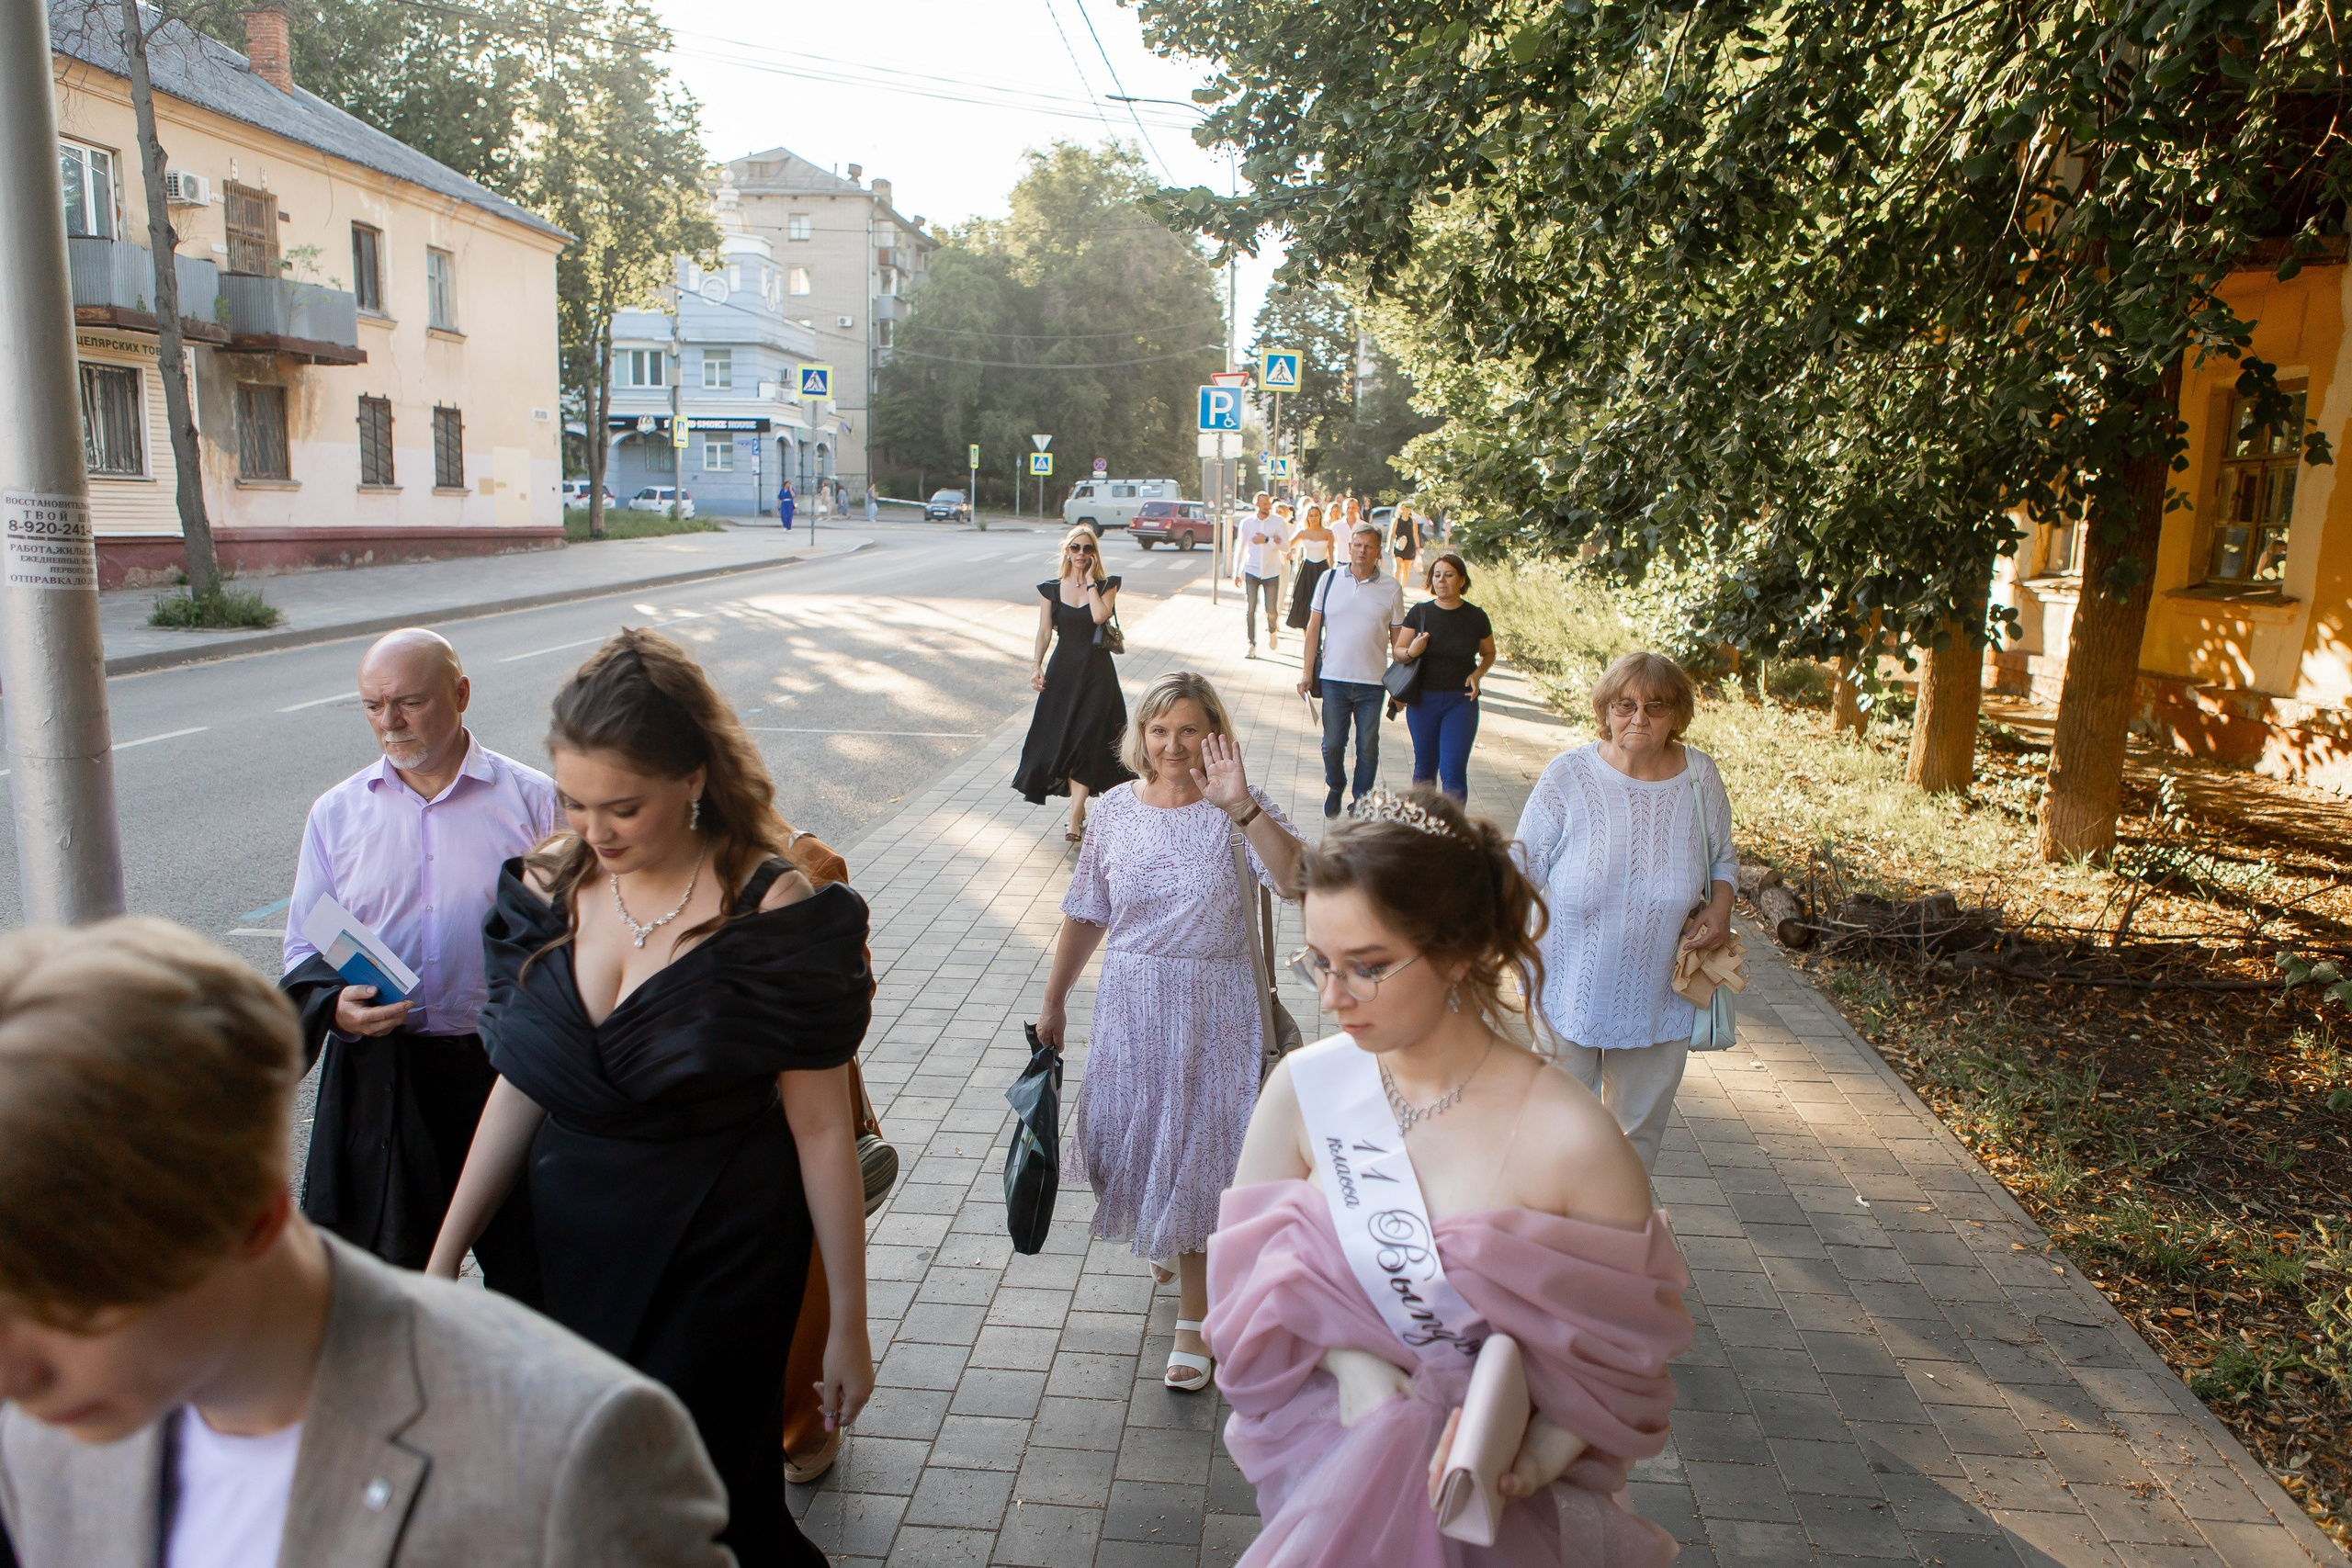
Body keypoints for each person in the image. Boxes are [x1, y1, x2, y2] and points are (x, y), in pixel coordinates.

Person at [0, 918, 733, 1567]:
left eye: (62, 1302)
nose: (11, 1374)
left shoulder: (568, 1453)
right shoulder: (41, 1436)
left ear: (250, 1215)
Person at [426, 629, 876, 1568]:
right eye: (576, 802)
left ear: (696, 777)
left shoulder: (774, 910)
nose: (597, 833)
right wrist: (441, 1263)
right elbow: (522, 1083)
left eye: (624, 806)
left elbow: (823, 1130)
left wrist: (846, 1326)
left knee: (688, 1500)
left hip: (722, 1253)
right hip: (567, 1246)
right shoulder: (551, 886)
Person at [1205, 790, 1691, 1567]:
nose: (1333, 998)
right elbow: (1243, 1294)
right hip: (1329, 1477)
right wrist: (1349, 1362)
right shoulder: (1304, 1089)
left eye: (1367, 967)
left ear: (1459, 951)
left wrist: (1524, 1461)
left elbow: (1626, 1362)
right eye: (1319, 963)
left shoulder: (1574, 1139)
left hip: (1506, 1519)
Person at [1035, 671, 1306, 1393]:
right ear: (1141, 738)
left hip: (1215, 1008)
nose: (1173, 744)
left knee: (1200, 1154)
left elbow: (1297, 879)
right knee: (1136, 1136)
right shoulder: (1117, 809)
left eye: (1189, 730)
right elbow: (1088, 908)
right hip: (1131, 1002)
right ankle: (1177, 1238)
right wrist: (1054, 999)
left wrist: (1243, 806)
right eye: (1160, 730)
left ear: (1214, 734)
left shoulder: (1232, 805)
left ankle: (1197, 1315)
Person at [279, 627, 555, 1301]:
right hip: (384, 1078)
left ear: (460, 694)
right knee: (381, 1285)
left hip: (505, 1071)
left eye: (408, 701)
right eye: (372, 705)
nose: (389, 722)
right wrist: (335, 1009)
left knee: (536, 1277)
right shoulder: (337, 814)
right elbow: (302, 949)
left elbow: (577, 941)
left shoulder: (533, 802)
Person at [1512, 652, 1736, 1170]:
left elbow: (1722, 857)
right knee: (1555, 1131)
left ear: (1677, 715)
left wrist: (1721, 906)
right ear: (1605, 711)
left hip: (1661, 989)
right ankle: (1551, 1235)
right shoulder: (1569, 775)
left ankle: (1618, 1239)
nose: (1639, 718)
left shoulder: (1699, 775)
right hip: (1567, 983)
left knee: (1635, 1142)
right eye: (1625, 705)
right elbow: (1520, 866)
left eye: (1655, 707)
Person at [1013, 526, 1136, 841]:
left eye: (1087, 549)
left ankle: (1074, 816)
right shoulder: (1050, 590)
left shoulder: (1108, 585)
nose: (1081, 554)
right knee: (1066, 741)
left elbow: (1098, 617)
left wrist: (1092, 582)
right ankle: (1079, 812)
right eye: (1075, 548)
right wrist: (1036, 665)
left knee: (1086, 739)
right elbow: (1044, 632)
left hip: (1097, 675)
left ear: (1094, 553)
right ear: (1067, 551)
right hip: (1063, 674)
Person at [1297, 523, 1406, 819]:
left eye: (1368, 546)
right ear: (1349, 548)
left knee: (1367, 746)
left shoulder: (1392, 588)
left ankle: (1361, 800)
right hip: (1333, 679)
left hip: (1373, 683)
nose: (1362, 551)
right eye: (1357, 545)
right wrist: (1307, 673)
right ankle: (1335, 785)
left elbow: (1399, 643)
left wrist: (1400, 688)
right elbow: (1312, 629)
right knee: (1332, 744)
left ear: (1378, 552)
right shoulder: (1328, 580)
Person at [1393, 553, 1498, 801]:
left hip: (1460, 702)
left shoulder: (1476, 617)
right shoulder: (1420, 612)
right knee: (1424, 770)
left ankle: (1453, 835)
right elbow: (1398, 653)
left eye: (1449, 575)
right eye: (1437, 575)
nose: (1441, 580)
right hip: (1422, 702)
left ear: (1462, 580)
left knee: (1452, 771)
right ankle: (1422, 831)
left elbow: (1489, 652)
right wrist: (1411, 651)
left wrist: (1478, 673)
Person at [1236, 492, 1291, 658]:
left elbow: (1286, 547)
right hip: (1252, 571)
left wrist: (1267, 540)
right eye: (1264, 504)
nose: (1267, 507)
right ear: (1256, 505)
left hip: (1271, 572)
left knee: (1271, 610)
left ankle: (1273, 630)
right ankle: (1251, 644)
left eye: (1268, 503)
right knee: (1250, 608)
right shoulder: (1247, 523)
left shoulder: (1278, 522)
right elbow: (1241, 548)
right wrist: (1237, 572)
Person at [1285, 503, 1335, 632]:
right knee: (1304, 599)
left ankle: (1319, 635)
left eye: (1316, 515)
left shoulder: (1328, 533)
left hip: (1322, 568)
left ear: (1320, 516)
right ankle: (1307, 635)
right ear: (1307, 517)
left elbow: (1331, 554)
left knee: (1322, 600)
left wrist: (1332, 572)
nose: (1314, 518)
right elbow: (1288, 544)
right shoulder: (1303, 533)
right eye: (1311, 516)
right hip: (1307, 569)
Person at [1390, 502, 1420, 586]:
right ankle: (1396, 586)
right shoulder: (1397, 521)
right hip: (1399, 547)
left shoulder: (1413, 522)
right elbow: (1393, 535)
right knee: (1399, 566)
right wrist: (1390, 547)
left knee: (1406, 569)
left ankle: (1403, 587)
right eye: (1403, 509)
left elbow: (1415, 535)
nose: (1404, 510)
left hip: (1409, 547)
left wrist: (1418, 548)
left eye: (1406, 508)